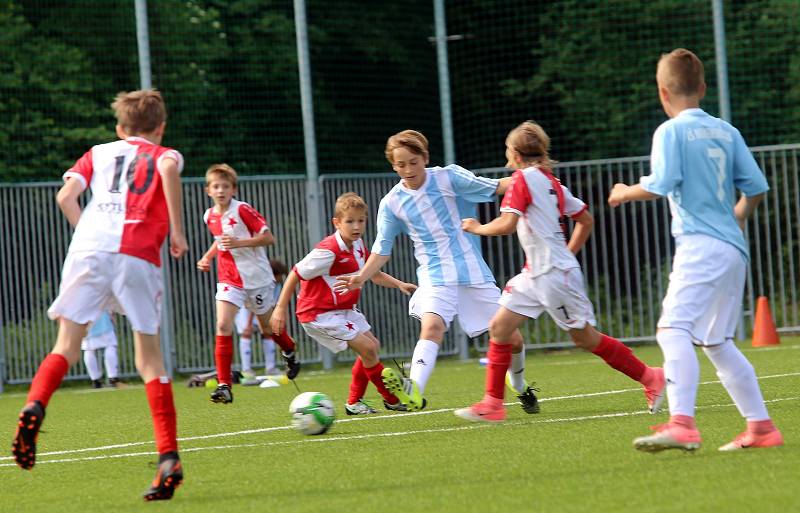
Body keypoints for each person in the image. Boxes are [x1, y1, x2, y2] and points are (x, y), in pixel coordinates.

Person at [10, 89, 188, 500]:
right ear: (159, 127)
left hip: (88, 249)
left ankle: (36, 404)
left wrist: (86, 237)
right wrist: (177, 231)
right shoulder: (165, 153)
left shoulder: (98, 151)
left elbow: (65, 197)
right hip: (137, 253)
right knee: (149, 358)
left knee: (67, 344)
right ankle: (167, 458)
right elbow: (165, 166)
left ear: (119, 127)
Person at [608, 48, 783, 452]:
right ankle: (761, 428)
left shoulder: (669, 132)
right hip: (732, 249)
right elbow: (756, 187)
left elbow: (661, 183)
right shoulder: (727, 131)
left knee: (672, 329)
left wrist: (623, 192)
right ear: (703, 88)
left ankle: (682, 424)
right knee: (716, 340)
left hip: (700, 246)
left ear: (662, 92)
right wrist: (736, 217)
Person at [452, 121, 664, 423]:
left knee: (585, 338)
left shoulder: (521, 180)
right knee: (500, 327)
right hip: (537, 273)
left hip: (552, 274)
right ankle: (493, 403)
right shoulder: (552, 183)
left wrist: (476, 227)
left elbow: (506, 225)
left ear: (513, 152)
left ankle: (651, 377)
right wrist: (567, 254)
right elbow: (586, 220)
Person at [337, 130, 538, 413]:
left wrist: (533, 174)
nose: (408, 170)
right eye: (401, 164)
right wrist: (362, 276)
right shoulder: (391, 203)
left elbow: (496, 186)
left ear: (425, 158)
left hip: (472, 272)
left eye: (413, 162)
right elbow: (382, 249)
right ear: (393, 166)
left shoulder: (448, 177)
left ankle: (519, 386)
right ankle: (414, 391)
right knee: (432, 327)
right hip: (434, 276)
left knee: (513, 340)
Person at [271, 192, 418, 414]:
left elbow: (373, 274)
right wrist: (280, 308)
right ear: (337, 222)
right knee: (368, 348)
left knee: (372, 347)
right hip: (319, 313)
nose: (356, 226)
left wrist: (399, 284)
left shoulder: (358, 245)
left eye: (361, 220)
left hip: (344, 309)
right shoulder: (328, 251)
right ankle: (391, 399)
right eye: (350, 221)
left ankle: (354, 403)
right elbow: (295, 273)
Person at [196, 164, 299, 404]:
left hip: (257, 278)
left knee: (268, 329)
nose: (221, 191)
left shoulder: (242, 210)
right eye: (216, 186)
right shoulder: (209, 215)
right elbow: (219, 241)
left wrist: (239, 243)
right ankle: (224, 385)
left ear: (233, 189)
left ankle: (289, 349)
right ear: (208, 190)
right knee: (223, 325)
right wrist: (207, 257)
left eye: (225, 186)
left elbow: (268, 238)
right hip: (229, 279)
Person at [237, 259, 290, 381]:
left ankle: (270, 367)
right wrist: (249, 324)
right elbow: (252, 305)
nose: (281, 278)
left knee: (268, 334)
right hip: (247, 310)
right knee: (246, 334)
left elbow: (275, 304)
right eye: (279, 275)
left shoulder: (277, 285)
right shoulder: (260, 281)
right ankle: (246, 369)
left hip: (264, 310)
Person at [81, 310, 125, 388]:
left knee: (88, 350)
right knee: (110, 346)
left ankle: (95, 380)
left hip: (85, 321)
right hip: (102, 319)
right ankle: (113, 378)